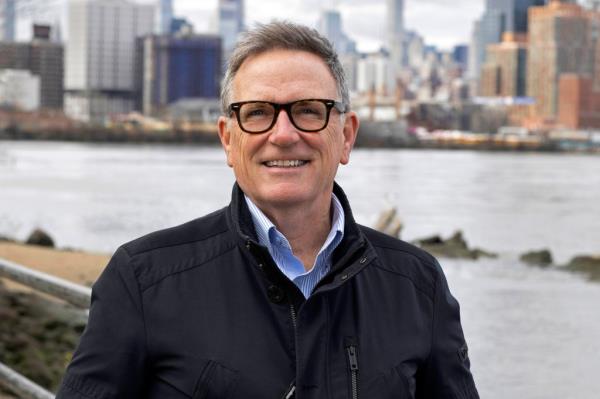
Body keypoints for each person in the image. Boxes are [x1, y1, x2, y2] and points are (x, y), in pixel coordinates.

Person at [57, 21, 479, 399]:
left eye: (309, 111)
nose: (283, 135)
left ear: (346, 137)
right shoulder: (144, 280)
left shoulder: (418, 285)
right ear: (228, 139)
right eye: (257, 112)